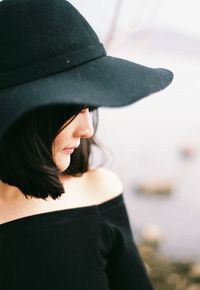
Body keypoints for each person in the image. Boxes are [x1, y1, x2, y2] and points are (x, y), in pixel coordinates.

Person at [0, 0, 173, 289]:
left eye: (88, 107)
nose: (87, 129)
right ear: (24, 113)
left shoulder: (98, 193)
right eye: (71, 109)